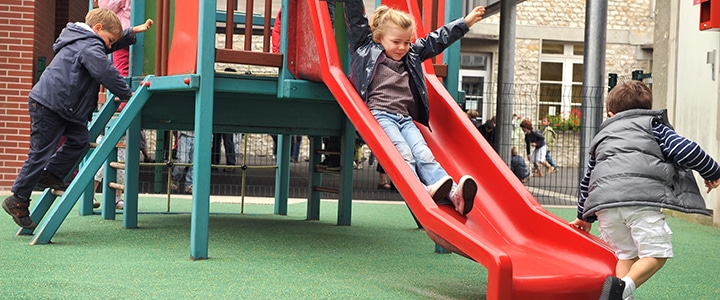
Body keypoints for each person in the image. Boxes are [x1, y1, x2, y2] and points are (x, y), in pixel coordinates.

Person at [568, 81, 720, 300]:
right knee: (657, 254)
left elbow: (588, 179)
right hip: (641, 201)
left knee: (625, 255)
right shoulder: (652, 125)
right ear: (647, 109)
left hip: (605, 208)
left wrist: (584, 216)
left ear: (611, 114)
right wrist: (713, 171)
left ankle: (621, 295)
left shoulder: (601, 138)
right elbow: (686, 150)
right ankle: (625, 287)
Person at [2, 9, 153, 229]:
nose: (110, 46)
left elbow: (102, 49)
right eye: (110, 40)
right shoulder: (89, 45)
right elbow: (104, 70)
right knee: (40, 152)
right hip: (50, 105)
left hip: (62, 108)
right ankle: (18, 199)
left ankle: (52, 173)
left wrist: (129, 34)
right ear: (98, 29)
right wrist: (127, 93)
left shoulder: (84, 40)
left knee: (79, 140)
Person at [343, 1, 484, 218]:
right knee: (404, 153)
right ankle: (421, 189)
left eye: (407, 42)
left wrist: (464, 23)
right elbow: (355, 17)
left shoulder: (411, 55)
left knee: (424, 154)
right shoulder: (365, 48)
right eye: (396, 42)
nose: (402, 47)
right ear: (379, 38)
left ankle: (456, 195)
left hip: (405, 119)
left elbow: (436, 40)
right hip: (381, 116)